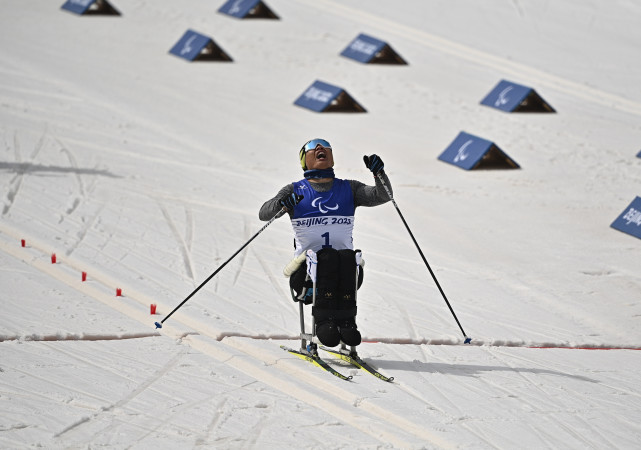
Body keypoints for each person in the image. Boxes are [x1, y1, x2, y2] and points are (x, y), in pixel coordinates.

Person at [259, 138, 392, 348]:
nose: (319, 148)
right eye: (313, 147)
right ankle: (324, 322)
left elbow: (383, 196)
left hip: (345, 271)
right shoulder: (295, 190)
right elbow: (263, 214)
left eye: (324, 145)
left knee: (347, 257)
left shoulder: (349, 188)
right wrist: (282, 204)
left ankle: (346, 322)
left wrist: (379, 174)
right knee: (328, 257)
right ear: (305, 160)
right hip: (305, 275)